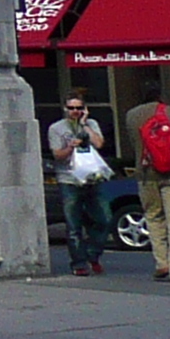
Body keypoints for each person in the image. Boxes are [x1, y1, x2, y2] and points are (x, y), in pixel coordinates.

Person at [125, 78, 170, 285]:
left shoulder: (131, 115)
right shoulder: (168, 111)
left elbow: (134, 145)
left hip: (146, 175)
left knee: (154, 218)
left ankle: (161, 262)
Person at [46, 93, 110, 276]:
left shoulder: (91, 124)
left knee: (103, 219)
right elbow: (57, 155)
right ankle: (79, 263)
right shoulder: (56, 128)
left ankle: (93, 254)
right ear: (65, 109)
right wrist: (71, 146)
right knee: (73, 225)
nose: (75, 111)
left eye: (79, 108)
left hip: (92, 178)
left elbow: (99, 143)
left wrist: (84, 125)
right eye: (71, 108)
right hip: (69, 179)